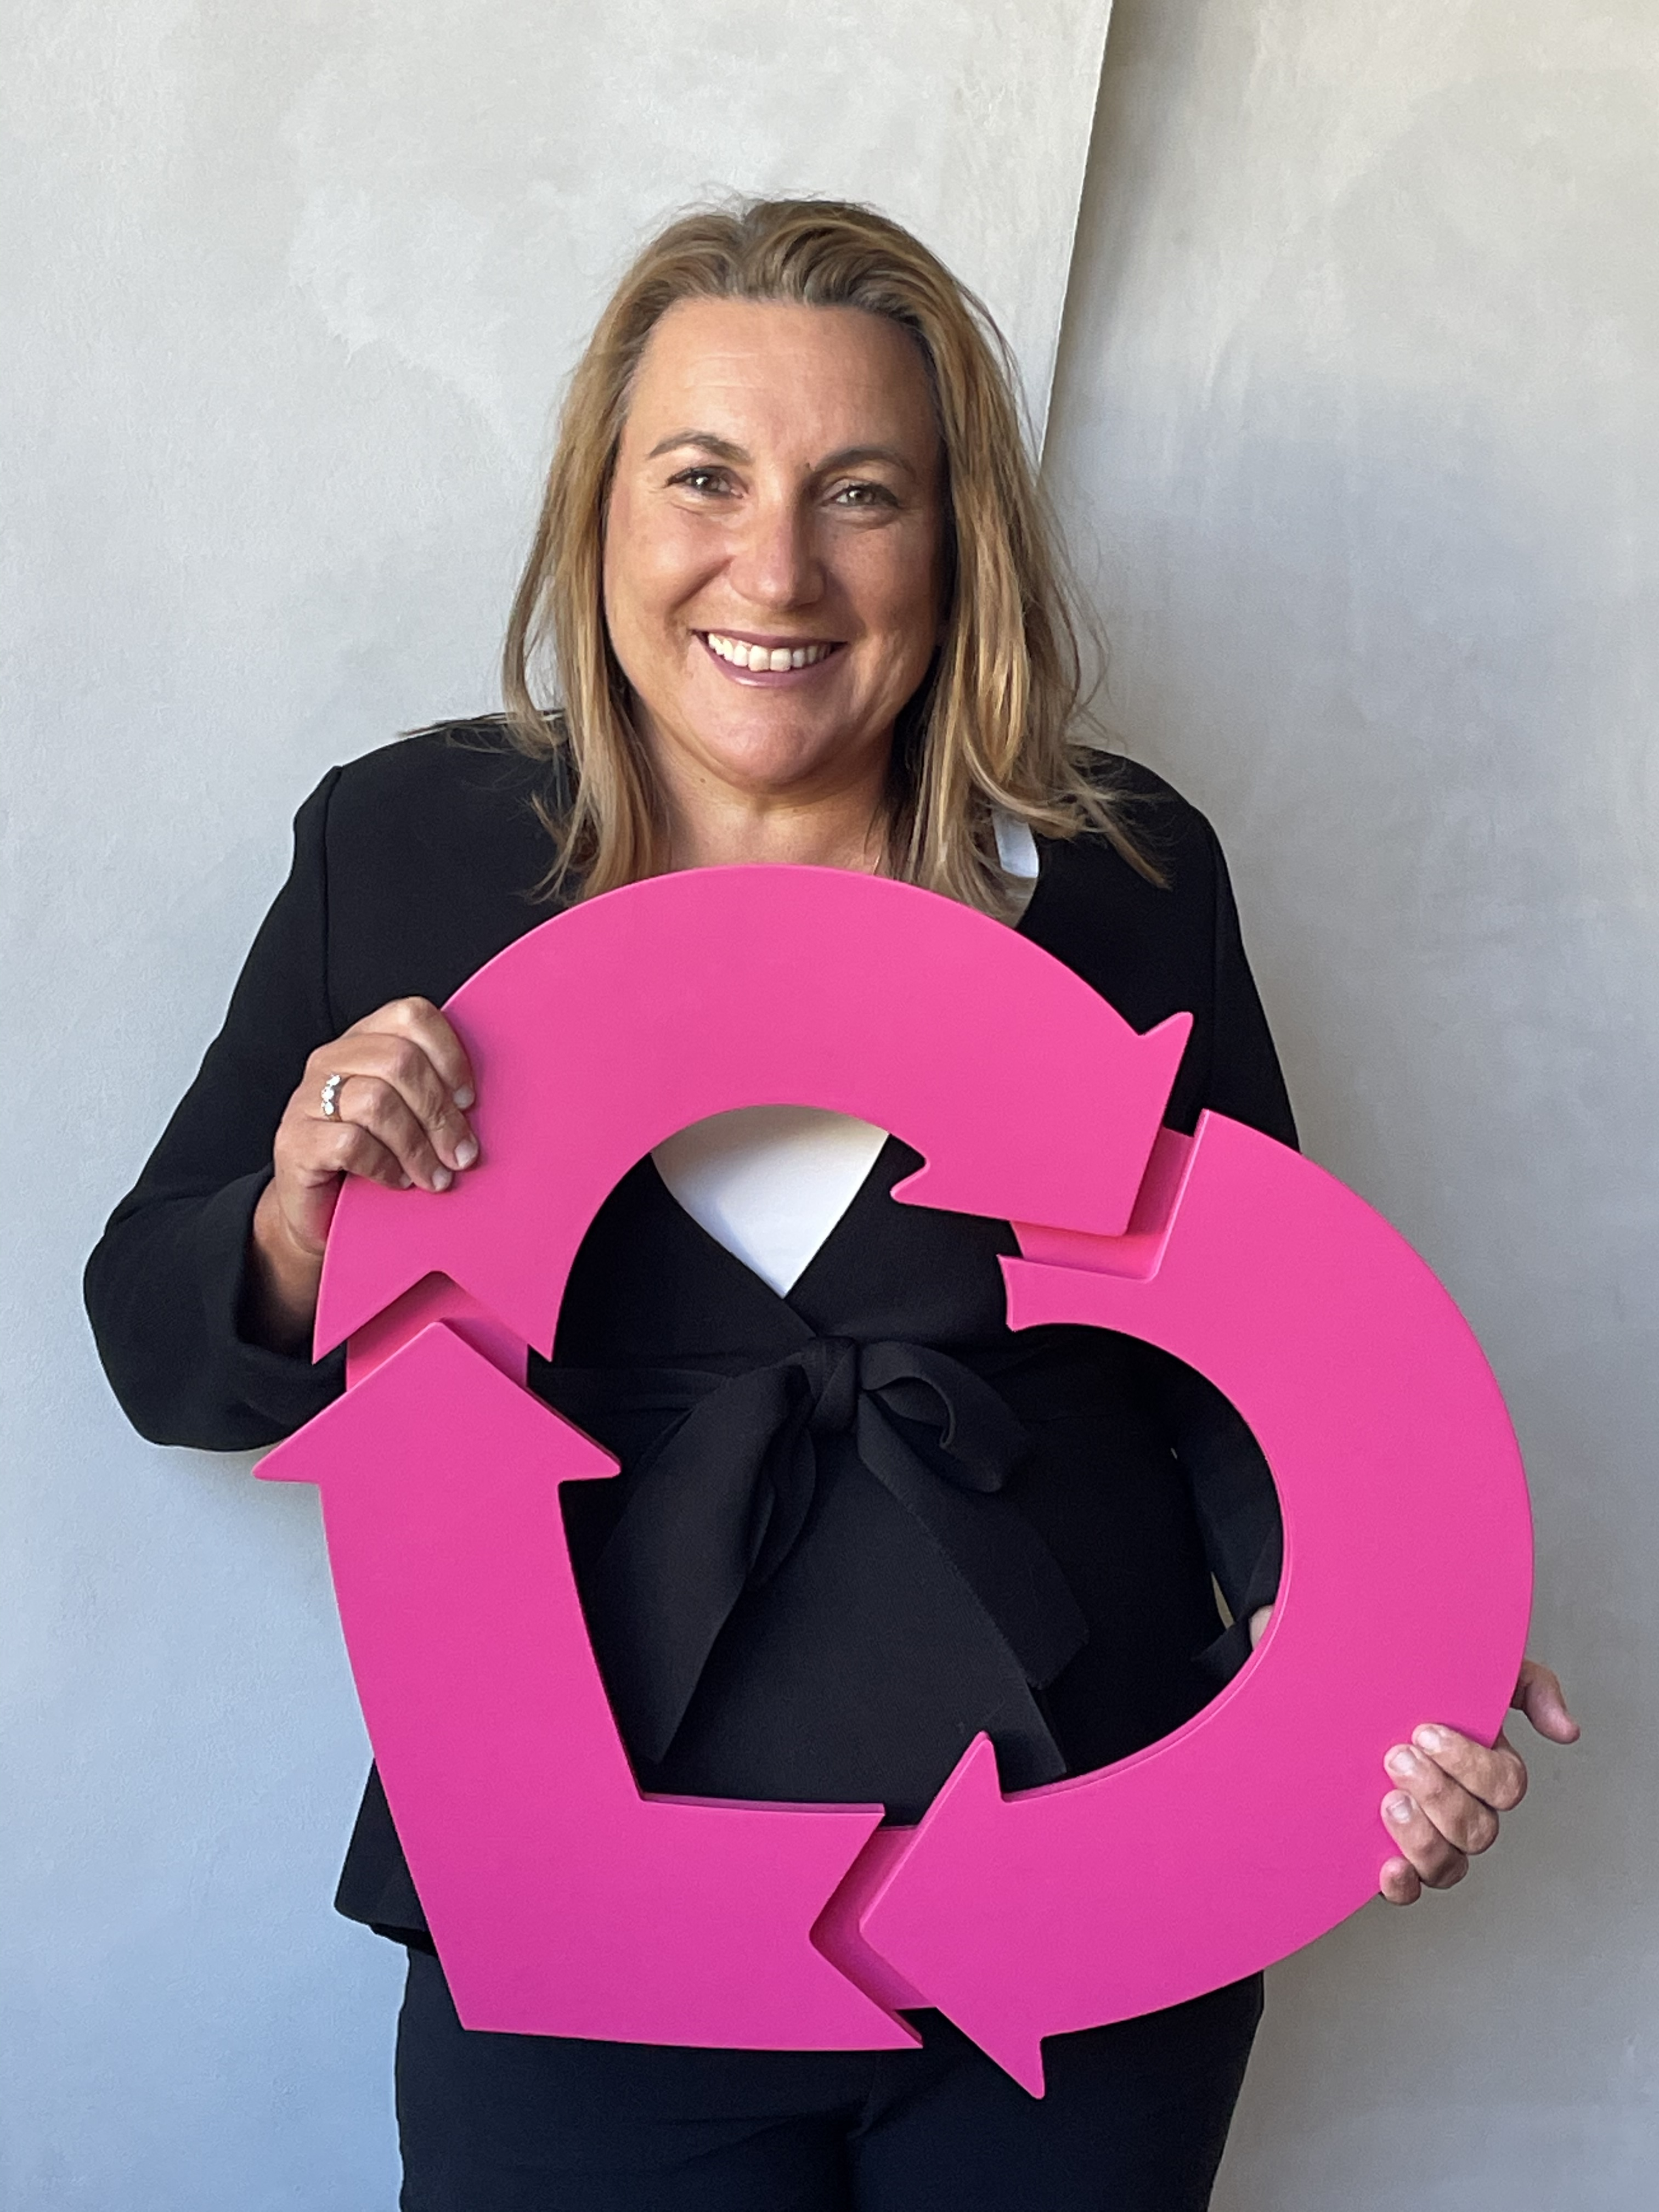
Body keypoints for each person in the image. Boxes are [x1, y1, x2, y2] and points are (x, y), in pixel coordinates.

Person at [84, 197, 1577, 2211]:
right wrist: (294, 1212)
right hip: (580, 1921)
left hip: (1086, 1898)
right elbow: (158, 1339)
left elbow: (1249, 1355)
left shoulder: (1124, 876)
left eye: (860, 491)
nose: (772, 566)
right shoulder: (408, 847)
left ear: (954, 545)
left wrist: (1384, 1642)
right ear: (600, 513)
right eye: (704, 477)